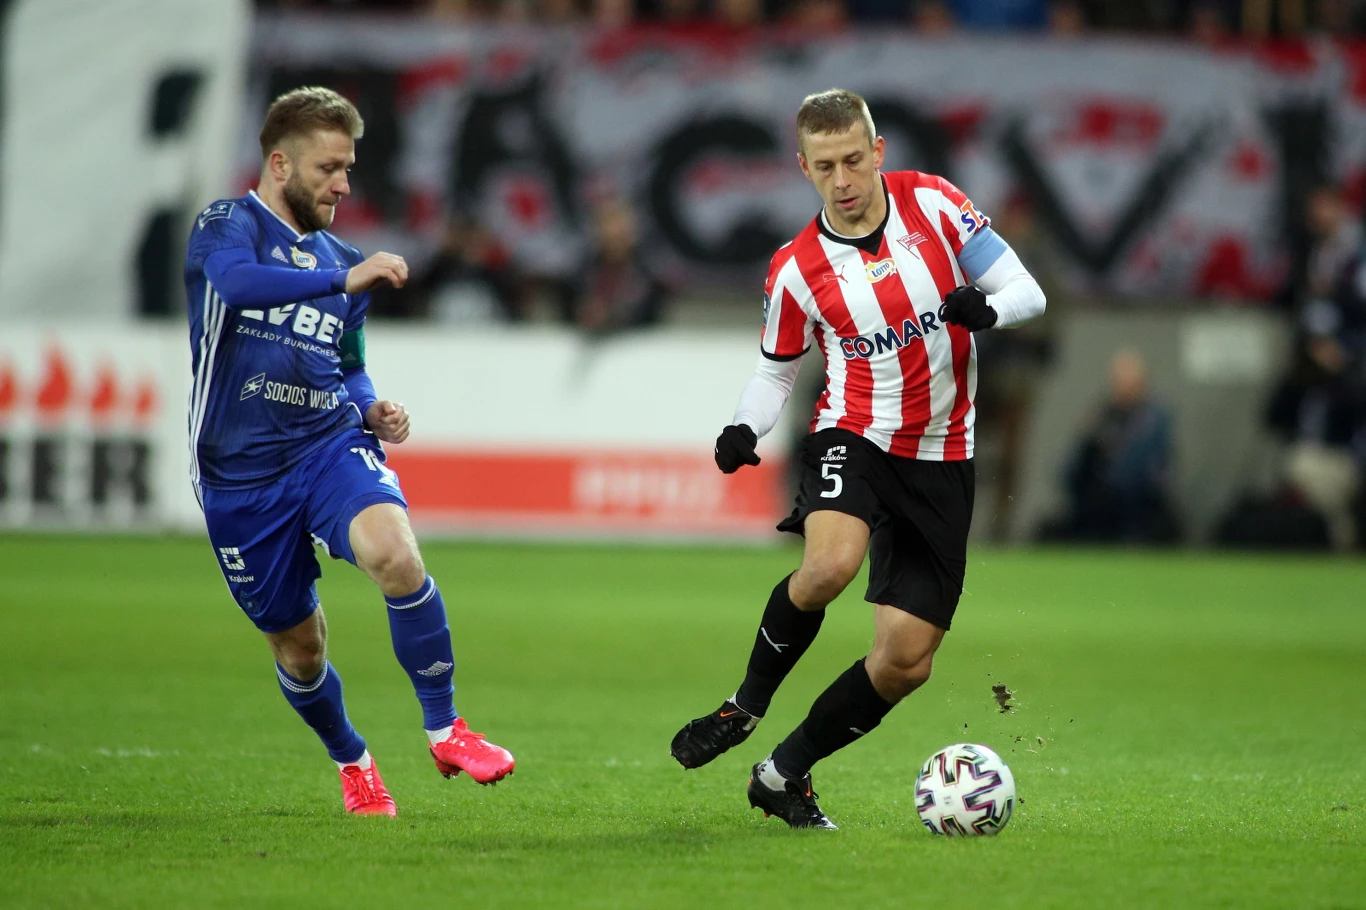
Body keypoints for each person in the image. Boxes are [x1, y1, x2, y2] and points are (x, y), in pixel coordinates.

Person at [669, 88, 1046, 829]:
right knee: (830, 565)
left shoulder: (935, 206)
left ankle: (782, 774)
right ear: (802, 168)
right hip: (855, 433)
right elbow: (775, 371)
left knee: (907, 660)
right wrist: (745, 428)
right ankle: (744, 706)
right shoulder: (795, 268)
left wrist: (989, 309)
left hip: (943, 454)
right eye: (823, 167)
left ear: (877, 153)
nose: (841, 180)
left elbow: (1025, 289)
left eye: (852, 160)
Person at [183, 87, 514, 817]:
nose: (344, 183)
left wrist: (370, 405)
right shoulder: (224, 228)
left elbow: (349, 360)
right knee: (301, 651)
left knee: (396, 554)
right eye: (330, 167)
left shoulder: (342, 260)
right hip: (238, 478)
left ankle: (445, 728)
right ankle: (353, 760)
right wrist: (342, 278)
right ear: (279, 163)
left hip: (326, 446)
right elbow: (236, 288)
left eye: (349, 167)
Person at [1046, 349, 1178, 544]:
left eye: (1128, 381)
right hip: (1097, 504)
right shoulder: (1102, 414)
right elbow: (1070, 471)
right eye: (1117, 380)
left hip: (1137, 505)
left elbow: (1140, 466)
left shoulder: (1154, 418)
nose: (1121, 386)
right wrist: (1089, 439)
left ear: (1142, 384)